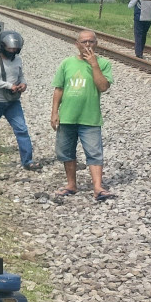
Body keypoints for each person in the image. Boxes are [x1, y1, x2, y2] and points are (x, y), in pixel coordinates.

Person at [51, 30, 115, 201]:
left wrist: (94, 65)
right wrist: (54, 112)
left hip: (90, 117)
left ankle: (98, 188)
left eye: (91, 42)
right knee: (66, 152)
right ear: (77, 44)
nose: (88, 45)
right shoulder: (67, 63)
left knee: (94, 153)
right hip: (68, 117)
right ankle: (71, 185)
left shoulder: (103, 63)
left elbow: (103, 87)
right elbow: (59, 89)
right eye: (84, 42)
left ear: (97, 43)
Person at [0, 30, 37, 170]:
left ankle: (27, 161)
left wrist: (23, 84)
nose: (12, 51)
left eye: (15, 49)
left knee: (22, 129)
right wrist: (7, 85)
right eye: (10, 48)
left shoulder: (17, 60)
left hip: (13, 102)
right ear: (2, 46)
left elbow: (20, 76)